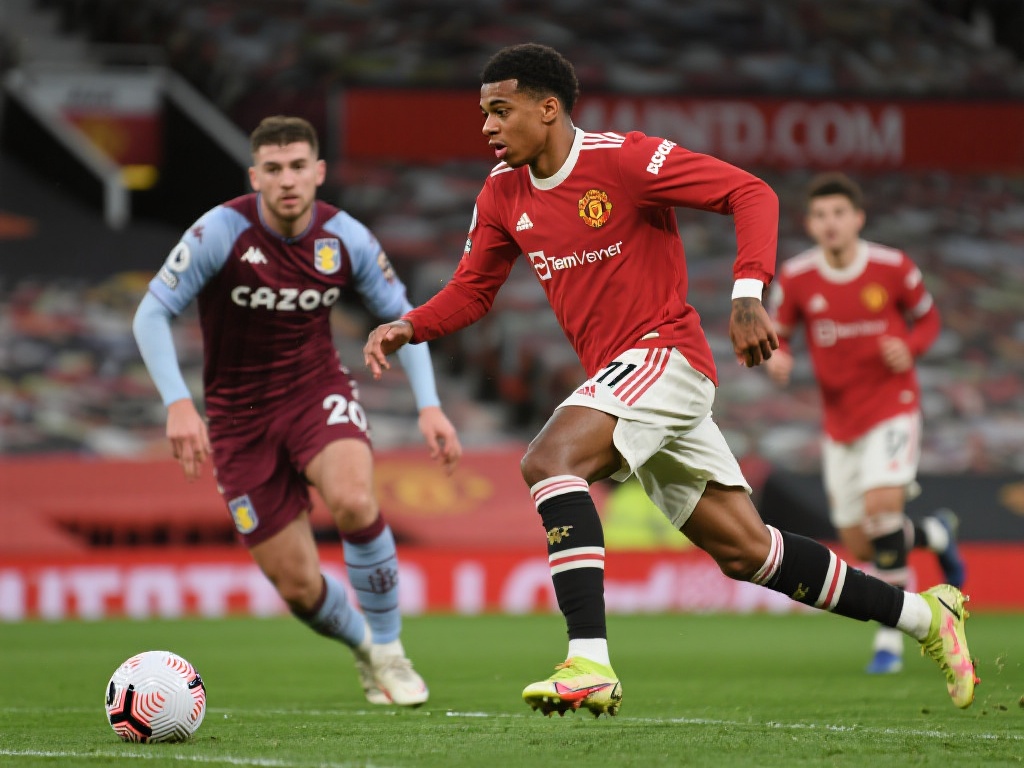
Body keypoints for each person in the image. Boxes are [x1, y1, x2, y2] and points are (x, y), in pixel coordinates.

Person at [363, 43, 978, 716]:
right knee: (749, 552)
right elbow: (472, 290)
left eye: (500, 110)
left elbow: (752, 192)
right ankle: (926, 615)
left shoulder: (623, 160)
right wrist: (410, 325)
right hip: (626, 380)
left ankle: (588, 662)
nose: (487, 126)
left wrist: (748, 294)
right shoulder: (501, 192)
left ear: (548, 109)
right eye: (483, 112)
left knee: (548, 460)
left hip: (666, 355)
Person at [133, 115, 461, 707]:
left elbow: (404, 322)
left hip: (314, 392)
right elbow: (150, 313)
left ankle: (391, 650)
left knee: (355, 500)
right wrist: (178, 404)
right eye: (274, 169)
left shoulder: (347, 238)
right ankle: (366, 649)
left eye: (298, 167)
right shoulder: (219, 232)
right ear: (255, 176)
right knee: (299, 586)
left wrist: (430, 407)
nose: (287, 180)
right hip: (237, 420)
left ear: (319, 172)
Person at [763, 172, 966, 675]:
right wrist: (778, 357)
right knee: (861, 542)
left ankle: (891, 640)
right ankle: (936, 533)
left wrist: (910, 347)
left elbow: (929, 320)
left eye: (839, 213)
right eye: (820, 215)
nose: (830, 223)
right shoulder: (797, 277)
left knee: (881, 512)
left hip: (893, 405)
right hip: (840, 422)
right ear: (810, 224)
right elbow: (779, 333)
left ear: (858, 218)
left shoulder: (893, 267)